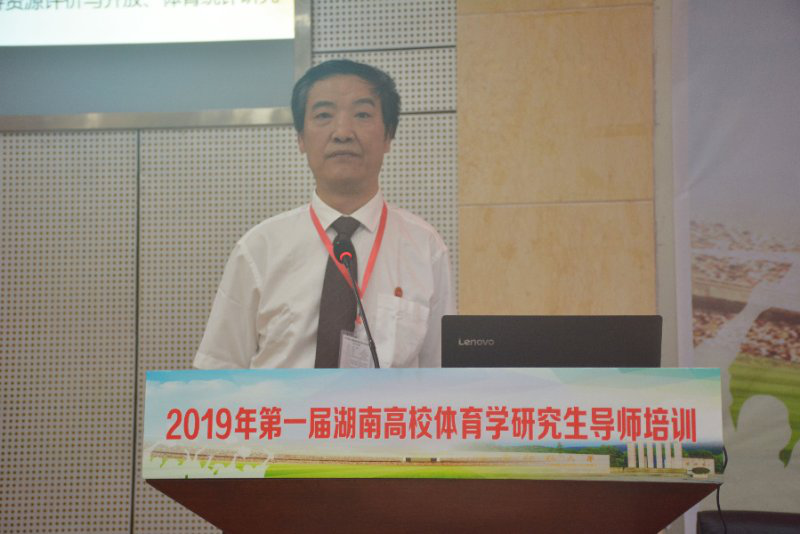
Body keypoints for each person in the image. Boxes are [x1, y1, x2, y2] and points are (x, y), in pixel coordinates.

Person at [193, 59, 455, 369]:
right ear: (301, 139)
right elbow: (218, 372)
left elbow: (442, 377)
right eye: (323, 115)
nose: (343, 132)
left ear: (388, 136)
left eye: (362, 114)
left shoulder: (424, 247)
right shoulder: (259, 248)